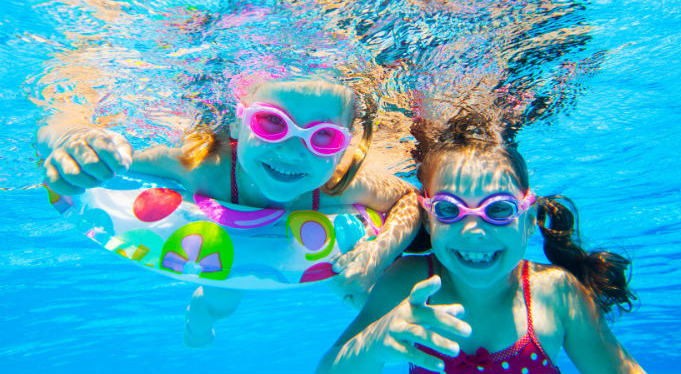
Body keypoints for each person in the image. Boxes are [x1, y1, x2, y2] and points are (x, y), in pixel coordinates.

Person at [36, 73, 421, 347]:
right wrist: (73, 140)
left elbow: (408, 201)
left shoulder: (344, 183)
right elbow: (111, 155)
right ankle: (200, 320)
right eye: (272, 123)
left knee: (356, 292)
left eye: (323, 137)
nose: (291, 152)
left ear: (344, 148)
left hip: (306, 248)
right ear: (238, 124)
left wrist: (379, 250)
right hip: (226, 249)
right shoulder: (204, 165)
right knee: (221, 302)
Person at [317, 109, 645, 374]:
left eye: (498, 210)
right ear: (428, 221)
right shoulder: (409, 282)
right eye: (449, 209)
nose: (474, 230)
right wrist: (377, 340)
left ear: (529, 221)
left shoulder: (556, 293)